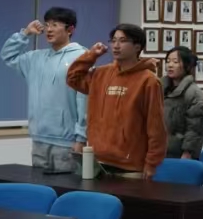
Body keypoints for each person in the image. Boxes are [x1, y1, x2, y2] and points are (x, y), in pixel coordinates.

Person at [66, 24, 167, 178]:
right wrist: (91, 55)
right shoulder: (100, 74)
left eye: (123, 41)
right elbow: (73, 78)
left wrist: (152, 163)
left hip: (129, 167)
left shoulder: (149, 81)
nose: (116, 45)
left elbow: (156, 127)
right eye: (113, 41)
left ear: (137, 47)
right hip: (98, 162)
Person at [1, 7, 89, 174]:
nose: (49, 29)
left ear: (70, 29)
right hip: (39, 138)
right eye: (47, 24)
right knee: (39, 185)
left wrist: (81, 138)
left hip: (67, 141)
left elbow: (85, 101)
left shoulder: (82, 58)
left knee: (66, 186)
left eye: (55, 25)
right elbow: (8, 55)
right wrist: (25, 34)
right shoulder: (36, 58)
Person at [161, 46, 203, 160]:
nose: (170, 65)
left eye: (175, 62)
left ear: (187, 66)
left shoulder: (194, 93)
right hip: (158, 150)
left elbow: (195, 130)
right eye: (168, 61)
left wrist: (187, 153)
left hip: (178, 154)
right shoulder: (160, 88)